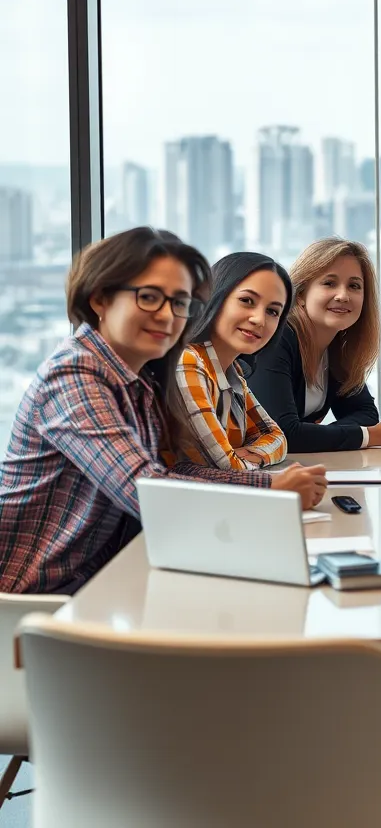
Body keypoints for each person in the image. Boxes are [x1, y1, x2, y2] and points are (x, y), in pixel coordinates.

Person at [0, 228, 327, 595]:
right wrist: (269, 487)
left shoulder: (137, 378)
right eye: (150, 297)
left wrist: (271, 486)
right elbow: (145, 490)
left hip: (102, 581)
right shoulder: (75, 374)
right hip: (31, 596)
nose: (167, 315)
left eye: (180, 303)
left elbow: (171, 471)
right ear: (100, 298)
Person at [248, 238, 381, 451]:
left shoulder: (337, 348)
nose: (343, 295)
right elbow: (281, 434)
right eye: (329, 283)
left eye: (354, 286)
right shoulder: (277, 339)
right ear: (300, 295)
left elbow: (366, 414)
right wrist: (373, 436)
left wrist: (311, 435)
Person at [176, 252, 292, 471]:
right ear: (214, 297)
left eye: (272, 311)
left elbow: (276, 436)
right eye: (247, 301)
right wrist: (240, 459)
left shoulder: (231, 372)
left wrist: (254, 455)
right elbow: (226, 467)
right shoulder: (188, 361)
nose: (259, 319)